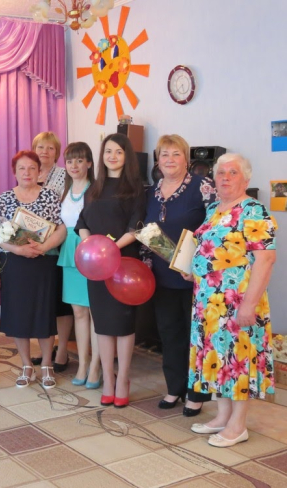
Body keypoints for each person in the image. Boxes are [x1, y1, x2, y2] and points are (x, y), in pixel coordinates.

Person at [186, 154, 276, 447]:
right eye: (220, 172)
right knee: (219, 360)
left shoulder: (254, 210)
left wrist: (249, 304)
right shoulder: (213, 208)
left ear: (246, 179)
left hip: (238, 303)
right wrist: (193, 268)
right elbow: (209, 250)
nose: (225, 177)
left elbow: (266, 259)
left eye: (233, 172)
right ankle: (222, 417)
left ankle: (238, 425)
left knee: (238, 361)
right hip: (209, 305)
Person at [142, 135, 217, 417]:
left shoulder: (202, 186)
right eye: (164, 154)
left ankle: (196, 394)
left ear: (186, 158)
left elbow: (215, 227)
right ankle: (174, 388)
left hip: (193, 278)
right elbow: (145, 232)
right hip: (161, 277)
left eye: (176, 154)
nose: (170, 159)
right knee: (169, 334)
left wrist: (198, 265)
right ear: (157, 160)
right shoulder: (150, 191)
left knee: (196, 337)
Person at [75, 133, 146, 408]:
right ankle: (108, 380)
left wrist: (110, 249)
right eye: (107, 151)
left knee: (123, 325)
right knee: (103, 325)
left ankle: (123, 379)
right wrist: (91, 247)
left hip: (124, 265)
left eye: (118, 151)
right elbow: (82, 222)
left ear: (127, 156)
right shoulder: (94, 188)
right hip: (96, 268)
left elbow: (136, 227)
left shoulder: (135, 188)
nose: (112, 156)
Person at [0, 150, 67, 389]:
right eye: (22, 169)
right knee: (19, 314)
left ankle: (46, 364)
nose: (27, 173)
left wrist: (44, 247)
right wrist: (18, 250)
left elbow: (61, 228)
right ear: (14, 172)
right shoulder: (5, 198)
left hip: (44, 262)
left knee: (44, 313)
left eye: (32, 168)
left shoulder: (50, 195)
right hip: (15, 263)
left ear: (39, 171)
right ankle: (26, 364)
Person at [57, 142, 101, 388]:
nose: (74, 165)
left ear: (89, 163)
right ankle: (83, 364)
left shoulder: (96, 190)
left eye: (79, 160)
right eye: (70, 161)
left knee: (95, 311)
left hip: (91, 253)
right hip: (69, 253)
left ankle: (95, 365)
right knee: (78, 312)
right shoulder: (64, 190)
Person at [31, 132, 73, 370]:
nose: (44, 152)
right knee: (43, 302)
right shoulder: (29, 172)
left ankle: (63, 350)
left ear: (57, 153)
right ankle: (45, 348)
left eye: (50, 148)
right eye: (40, 147)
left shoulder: (64, 175)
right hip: (33, 246)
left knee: (61, 301)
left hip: (59, 244)